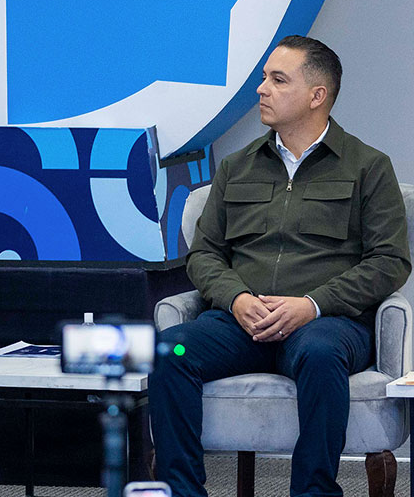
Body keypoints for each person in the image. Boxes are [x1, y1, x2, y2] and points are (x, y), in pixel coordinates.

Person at [150, 36, 410, 497]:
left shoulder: (368, 167)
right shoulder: (237, 167)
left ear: (316, 95)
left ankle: (313, 492)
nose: (261, 89)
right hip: (240, 324)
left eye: (278, 79)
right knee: (170, 351)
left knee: (321, 355)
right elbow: (204, 254)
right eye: (264, 78)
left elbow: (390, 261)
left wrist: (312, 305)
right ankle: (181, 491)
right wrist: (237, 299)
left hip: (326, 325)